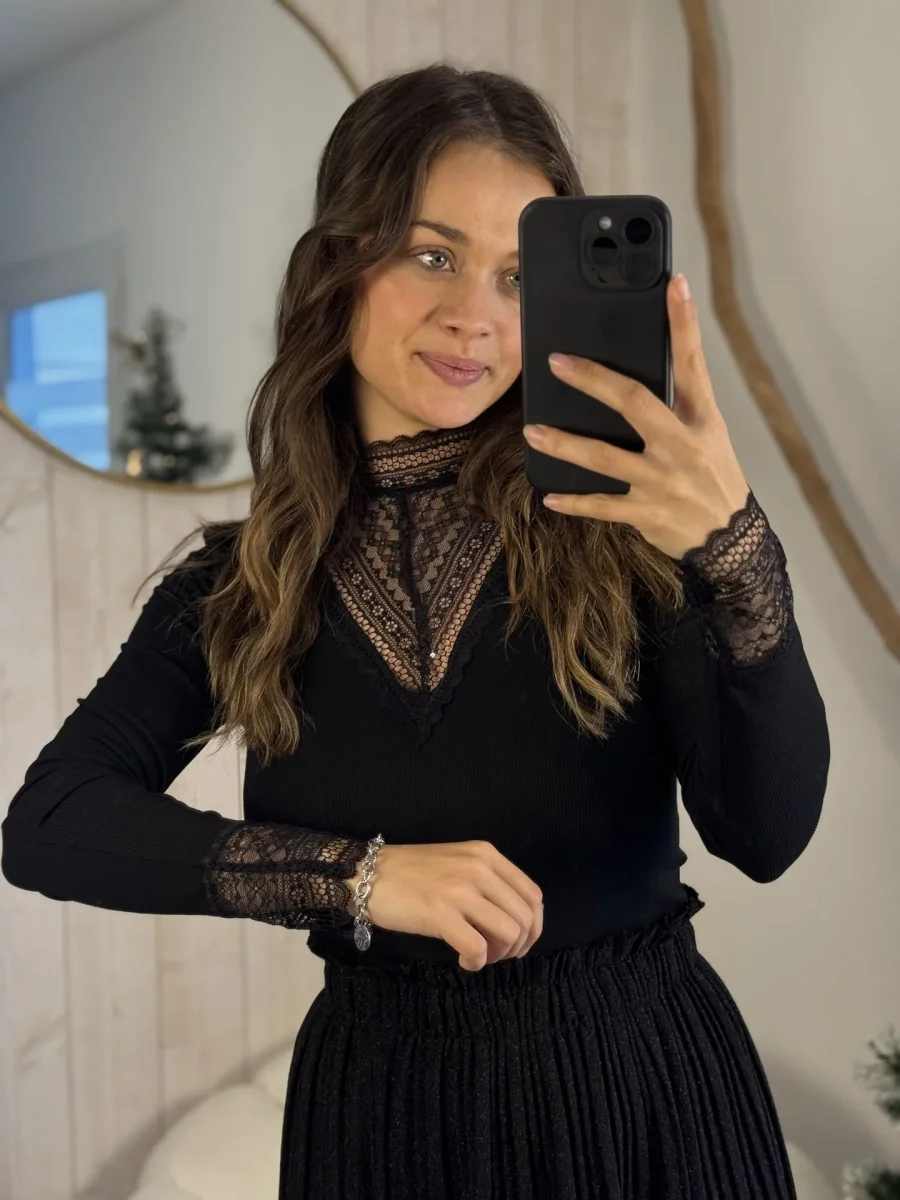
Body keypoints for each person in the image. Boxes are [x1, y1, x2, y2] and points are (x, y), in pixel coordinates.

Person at [1, 64, 829, 1200]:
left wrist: (735, 550)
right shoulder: (240, 584)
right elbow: (49, 822)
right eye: (432, 255)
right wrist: (354, 876)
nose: (474, 316)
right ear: (339, 261)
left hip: (643, 1109)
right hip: (379, 1128)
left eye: (517, 276)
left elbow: (768, 832)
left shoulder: (622, 532)